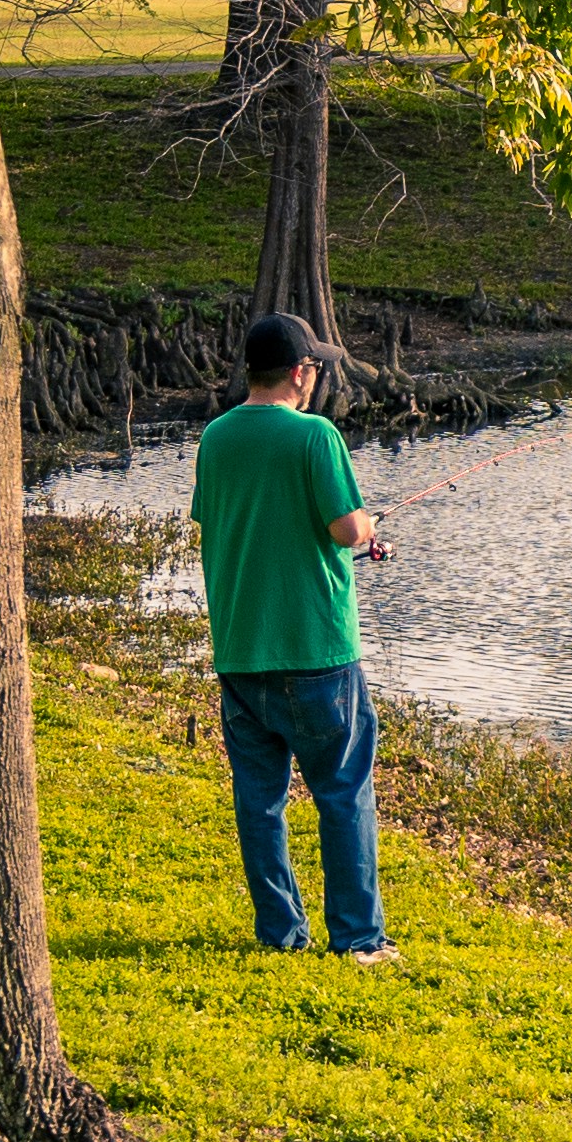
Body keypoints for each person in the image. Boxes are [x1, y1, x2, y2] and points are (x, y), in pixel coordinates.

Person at [189, 310, 393, 959]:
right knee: (342, 792)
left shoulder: (215, 439)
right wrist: (369, 527)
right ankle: (359, 940)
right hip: (316, 654)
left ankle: (280, 936)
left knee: (259, 801)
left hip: (241, 651)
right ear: (300, 375)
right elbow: (345, 530)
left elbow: (223, 519)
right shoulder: (316, 437)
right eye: (314, 369)